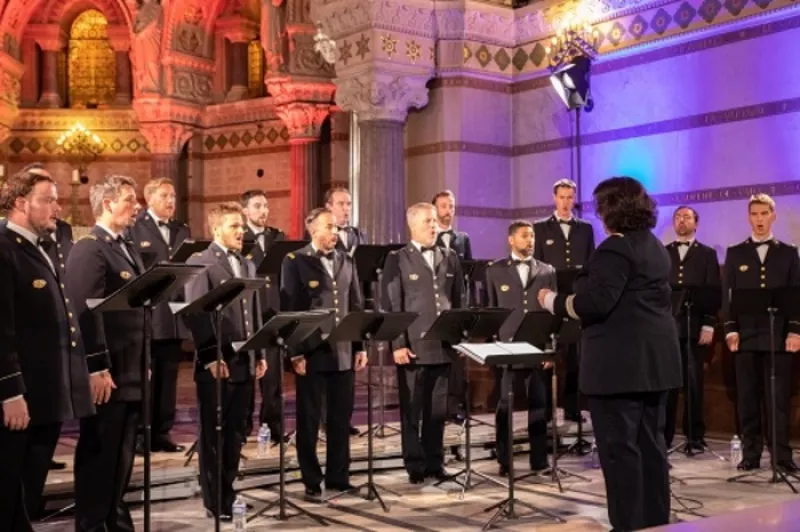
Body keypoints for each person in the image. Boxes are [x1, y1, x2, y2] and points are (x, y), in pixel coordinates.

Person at [538, 176, 681, 531]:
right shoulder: (654, 245)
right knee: (651, 449)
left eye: (600, 206)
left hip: (619, 368)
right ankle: (655, 524)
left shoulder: (614, 249)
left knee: (620, 454)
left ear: (610, 209)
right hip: (656, 365)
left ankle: (628, 525)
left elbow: (595, 303)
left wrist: (551, 301)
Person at [0, 166, 97, 531]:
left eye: (56, 199)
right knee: (10, 492)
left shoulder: (44, 249)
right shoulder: (5, 249)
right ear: (21, 203)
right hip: (20, 398)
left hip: (46, 395)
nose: (57, 208)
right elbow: (2, 329)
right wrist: (9, 391)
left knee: (28, 493)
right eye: (48, 200)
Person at [66, 174, 146, 532]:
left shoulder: (124, 246)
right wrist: (96, 366)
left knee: (122, 454)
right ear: (108, 203)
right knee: (101, 451)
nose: (137, 206)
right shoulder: (90, 248)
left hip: (130, 367)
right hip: (108, 371)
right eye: (130, 200)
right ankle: (92, 521)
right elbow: (85, 311)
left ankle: (113, 517)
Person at [184, 202, 268, 520]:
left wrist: (259, 353)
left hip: (244, 361)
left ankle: (229, 489)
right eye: (234, 225)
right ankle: (213, 498)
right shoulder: (201, 262)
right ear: (216, 228)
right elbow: (196, 314)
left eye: (242, 226)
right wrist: (210, 356)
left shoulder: (246, 265)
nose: (241, 231)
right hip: (218, 363)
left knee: (236, 432)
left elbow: (254, 313)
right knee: (214, 434)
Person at [280, 207, 367, 497]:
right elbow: (290, 309)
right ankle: (311, 479)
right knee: (310, 418)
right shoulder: (296, 261)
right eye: (329, 227)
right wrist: (295, 353)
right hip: (312, 351)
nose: (335, 233)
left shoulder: (347, 260)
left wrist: (359, 346)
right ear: (312, 229)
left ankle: (338, 477)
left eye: (337, 228)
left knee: (341, 418)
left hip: (343, 350)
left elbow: (356, 305)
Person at [381, 202, 465, 483]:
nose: (433, 225)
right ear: (413, 225)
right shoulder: (398, 258)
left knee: (437, 410)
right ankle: (414, 465)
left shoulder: (450, 256)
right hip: (413, 346)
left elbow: (459, 301)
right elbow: (393, 304)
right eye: (428, 221)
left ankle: (434, 462)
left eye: (434, 221)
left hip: (443, 346)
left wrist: (458, 337)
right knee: (413, 411)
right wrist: (398, 344)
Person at [723, 194, 800, 472]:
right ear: (749, 217)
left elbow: (796, 295)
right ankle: (751, 454)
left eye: (764, 213)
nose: (759, 219)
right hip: (746, 336)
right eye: (754, 214)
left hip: (778, 336)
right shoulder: (735, 252)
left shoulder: (789, 252)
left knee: (778, 398)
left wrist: (795, 331)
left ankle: (781, 455)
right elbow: (727, 297)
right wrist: (730, 330)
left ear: (773, 216)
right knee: (747, 399)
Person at [486, 220, 554, 476]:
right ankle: (505, 460)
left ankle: (539, 461)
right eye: (525, 236)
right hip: (507, 348)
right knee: (505, 406)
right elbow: (491, 309)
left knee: (539, 405)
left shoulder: (547, 270)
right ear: (511, 240)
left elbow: (551, 313)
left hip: (536, 348)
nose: (530, 240)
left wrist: (548, 348)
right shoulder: (495, 270)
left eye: (533, 236)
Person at [127, 177, 190, 454]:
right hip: (149, 315)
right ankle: (142, 433)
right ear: (149, 198)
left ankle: (162, 432)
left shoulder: (181, 229)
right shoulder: (135, 227)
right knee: (147, 377)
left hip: (174, 314)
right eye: (165, 195)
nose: (171, 201)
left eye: (174, 195)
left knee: (168, 377)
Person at [534, 178, 595, 427]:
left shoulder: (585, 229)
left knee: (574, 357)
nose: (566, 202)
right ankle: (545, 410)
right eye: (562, 197)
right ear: (554, 198)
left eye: (570, 197)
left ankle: (572, 408)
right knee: (547, 354)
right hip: (549, 298)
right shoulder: (540, 228)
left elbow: (591, 263)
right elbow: (536, 265)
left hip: (575, 300)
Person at [664, 205, 720, 451]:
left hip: (695, 326)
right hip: (667, 329)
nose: (681, 221)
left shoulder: (707, 254)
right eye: (677, 217)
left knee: (694, 383)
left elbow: (713, 291)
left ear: (695, 223)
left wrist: (709, 324)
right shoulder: (663, 252)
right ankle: (663, 436)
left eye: (686, 217)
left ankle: (695, 437)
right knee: (666, 385)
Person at [316, 187, 366, 436]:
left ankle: (343, 421)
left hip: (347, 311)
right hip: (323, 324)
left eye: (349, 203)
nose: (347, 208)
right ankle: (325, 422)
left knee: (346, 375)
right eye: (341, 203)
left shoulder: (358, 236)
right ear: (329, 206)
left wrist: (361, 344)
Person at [240, 189, 285, 438]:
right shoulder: (239, 235)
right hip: (249, 313)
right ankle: (244, 426)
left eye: (265, 206)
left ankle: (274, 426)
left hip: (272, 313)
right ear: (245, 210)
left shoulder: (278, 237)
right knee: (247, 374)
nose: (263, 211)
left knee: (273, 378)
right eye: (257, 206)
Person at [431, 190, 473, 427]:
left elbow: (467, 273)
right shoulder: (429, 238)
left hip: (455, 304)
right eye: (444, 206)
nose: (448, 211)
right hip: (435, 306)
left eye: (452, 206)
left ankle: (456, 407)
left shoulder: (462, 238)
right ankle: (438, 407)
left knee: (456, 360)